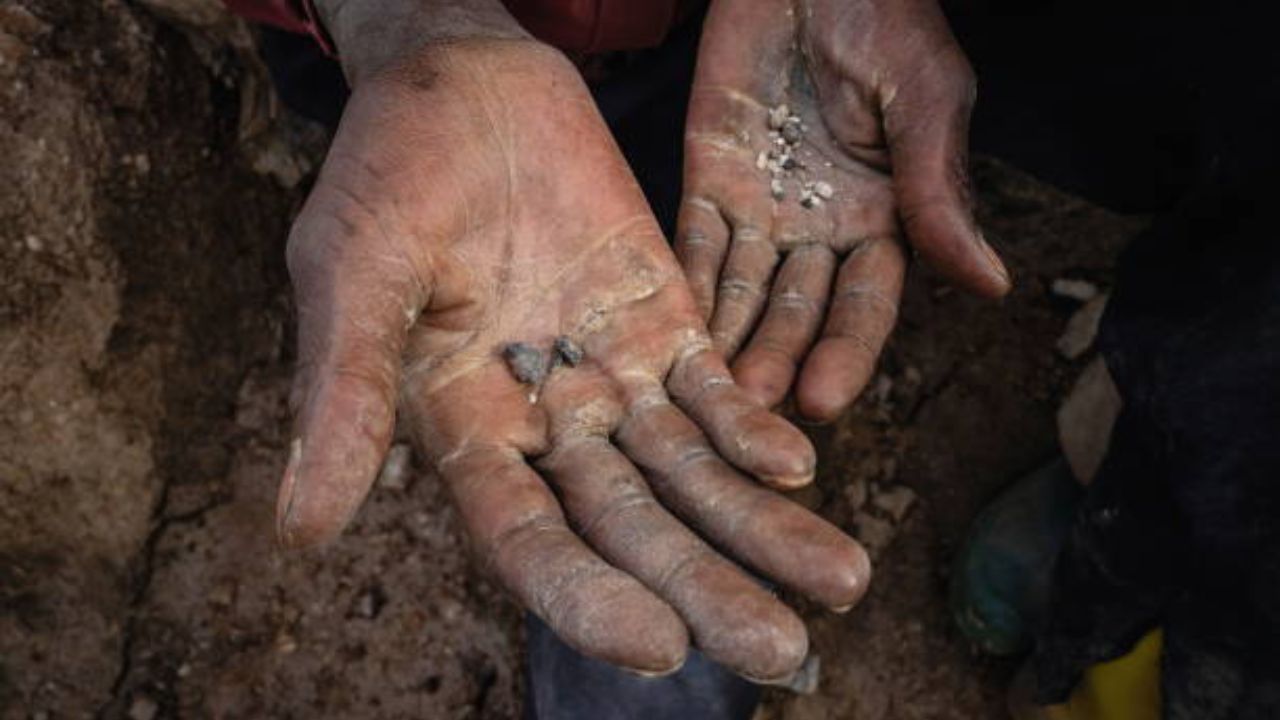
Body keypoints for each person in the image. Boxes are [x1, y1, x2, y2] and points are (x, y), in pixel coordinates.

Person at [225, 0, 1280, 718]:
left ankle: (1145, 487)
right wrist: (410, 21)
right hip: (526, 46)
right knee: (672, 312)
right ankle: (1127, 524)